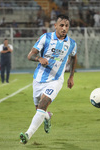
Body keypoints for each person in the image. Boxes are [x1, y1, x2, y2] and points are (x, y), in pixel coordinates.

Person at [19, 14, 77, 144]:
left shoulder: (71, 44)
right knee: (39, 109)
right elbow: (30, 55)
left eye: (66, 26)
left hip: (56, 80)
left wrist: (71, 76)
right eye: (61, 25)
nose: (64, 28)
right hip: (39, 78)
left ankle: (27, 135)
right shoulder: (45, 38)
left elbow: (74, 57)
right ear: (55, 26)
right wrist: (39, 58)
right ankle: (47, 117)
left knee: (44, 103)